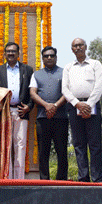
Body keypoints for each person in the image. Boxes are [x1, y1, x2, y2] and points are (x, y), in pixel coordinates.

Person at [62, 38, 102, 183]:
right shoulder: (68, 67)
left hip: (92, 106)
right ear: (72, 49)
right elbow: (65, 89)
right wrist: (77, 104)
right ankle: (83, 178)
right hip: (74, 107)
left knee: (95, 144)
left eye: (80, 45)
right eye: (75, 46)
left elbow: (99, 86)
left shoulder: (95, 64)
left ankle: (97, 178)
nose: (78, 48)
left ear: (86, 47)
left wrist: (89, 104)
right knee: (79, 145)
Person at [0, 42, 34, 180]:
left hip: (21, 112)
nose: (11, 54)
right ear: (4, 54)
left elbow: (33, 91)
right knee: (6, 146)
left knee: (20, 145)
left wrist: (29, 106)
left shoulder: (27, 70)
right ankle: (7, 178)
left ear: (18, 53)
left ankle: (19, 180)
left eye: (13, 51)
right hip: (4, 113)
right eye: (8, 51)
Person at [29, 46, 68, 181]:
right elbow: (33, 93)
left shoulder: (65, 72)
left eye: (52, 55)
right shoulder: (36, 74)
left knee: (62, 150)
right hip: (42, 117)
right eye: (46, 56)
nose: (49, 58)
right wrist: (46, 105)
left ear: (56, 57)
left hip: (61, 117)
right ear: (43, 58)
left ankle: (61, 180)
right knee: (43, 152)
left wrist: (55, 106)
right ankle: (44, 180)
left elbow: (68, 92)